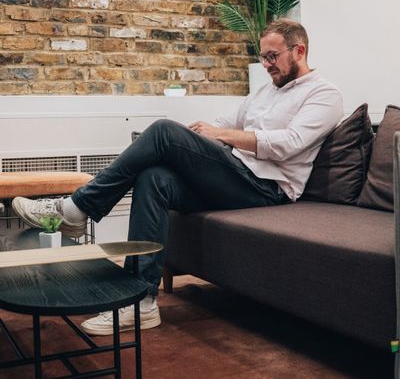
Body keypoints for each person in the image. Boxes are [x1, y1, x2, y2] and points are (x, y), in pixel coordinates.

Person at [12, 19, 344, 336]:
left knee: (162, 132)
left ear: (299, 51)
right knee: (154, 176)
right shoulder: (264, 91)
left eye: (273, 57)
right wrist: (195, 137)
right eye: (263, 57)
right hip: (236, 174)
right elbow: (225, 122)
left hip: (268, 189)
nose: (268, 64)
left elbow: (289, 145)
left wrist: (210, 136)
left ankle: (77, 208)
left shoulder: (324, 95)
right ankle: (142, 301)